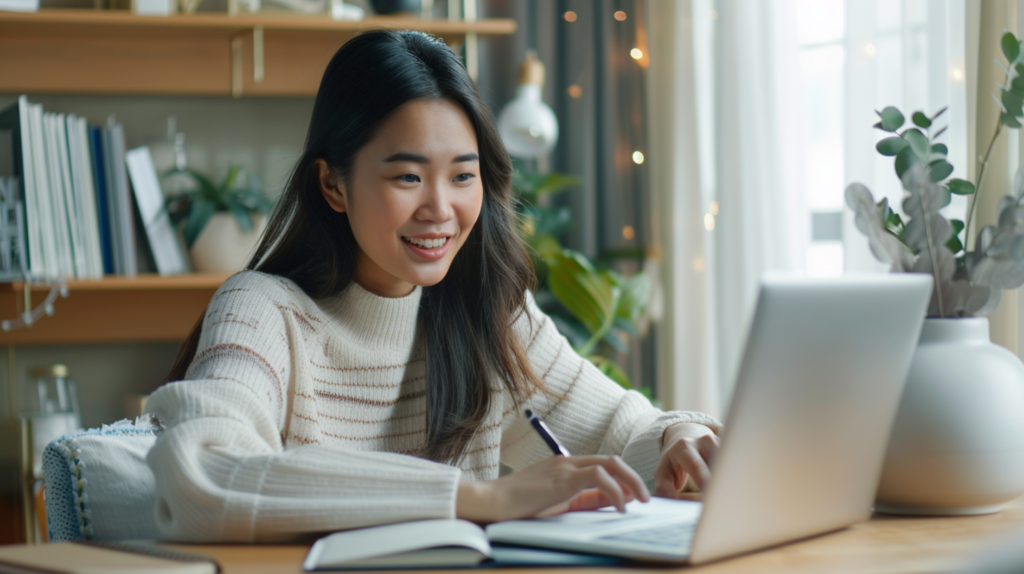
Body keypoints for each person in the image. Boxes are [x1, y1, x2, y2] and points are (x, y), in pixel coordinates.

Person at [144, 29, 722, 542]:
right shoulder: (261, 311)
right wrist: (481, 500)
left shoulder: (489, 314)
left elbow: (622, 434)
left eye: (463, 176)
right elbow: (203, 474)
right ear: (333, 185)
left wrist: (680, 436)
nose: (441, 210)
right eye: (408, 176)